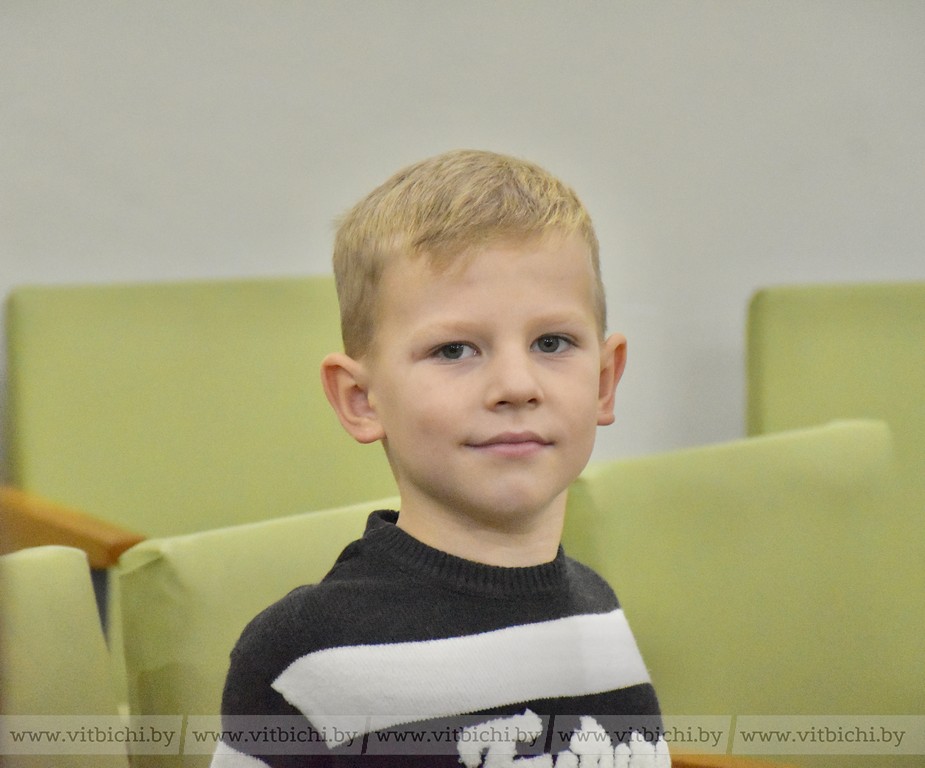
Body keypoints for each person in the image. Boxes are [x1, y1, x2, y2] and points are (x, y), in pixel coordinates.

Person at [211, 150, 669, 767]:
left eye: (552, 342)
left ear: (604, 382)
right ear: (361, 399)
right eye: (454, 350)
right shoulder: (307, 658)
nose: (516, 385)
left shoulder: (599, 612)